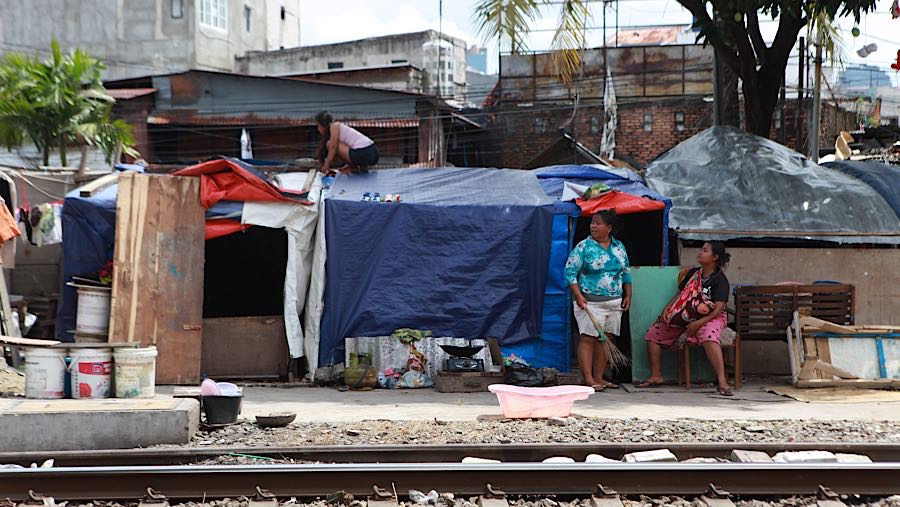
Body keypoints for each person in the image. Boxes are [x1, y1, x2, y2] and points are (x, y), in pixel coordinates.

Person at [638, 241, 733, 396]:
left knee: (708, 336)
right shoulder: (693, 274)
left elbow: (718, 308)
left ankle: (722, 381)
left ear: (715, 257)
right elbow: (680, 295)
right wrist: (667, 309)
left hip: (711, 317)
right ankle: (656, 375)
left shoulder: (720, 280)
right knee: (654, 334)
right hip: (687, 316)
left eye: (705, 250)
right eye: (701, 249)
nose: (700, 252)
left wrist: (699, 323)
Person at [564, 210, 632, 392]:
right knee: (588, 338)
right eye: (592, 222)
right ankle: (588, 378)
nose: (593, 226)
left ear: (609, 228)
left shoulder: (619, 247)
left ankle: (599, 376)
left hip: (614, 302)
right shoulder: (584, 247)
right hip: (589, 303)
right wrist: (578, 296)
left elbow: (626, 272)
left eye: (598, 223)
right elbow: (570, 272)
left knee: (606, 338)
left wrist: (628, 295)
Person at [315, 110, 379, 173]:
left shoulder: (335, 126)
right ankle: (360, 167)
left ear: (323, 124)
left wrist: (326, 166)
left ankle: (352, 167)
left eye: (318, 126)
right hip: (373, 152)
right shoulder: (339, 130)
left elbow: (333, 147)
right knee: (350, 146)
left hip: (364, 152)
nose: (318, 129)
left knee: (329, 144)